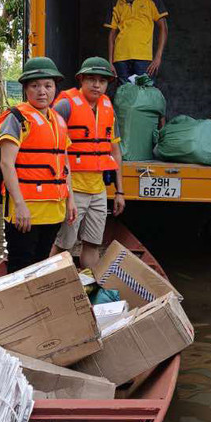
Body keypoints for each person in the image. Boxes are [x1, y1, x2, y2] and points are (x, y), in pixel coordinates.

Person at [0, 57, 76, 273]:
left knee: (41, 263)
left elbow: (64, 163)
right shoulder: (16, 118)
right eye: (35, 86)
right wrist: (19, 204)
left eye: (48, 86)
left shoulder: (58, 120)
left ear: (55, 88)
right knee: (20, 266)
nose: (42, 91)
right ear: (26, 89)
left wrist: (70, 199)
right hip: (26, 210)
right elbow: (6, 164)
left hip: (53, 210)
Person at [51, 57, 125, 270]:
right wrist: (66, 194)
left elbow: (115, 152)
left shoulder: (108, 108)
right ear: (81, 80)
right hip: (73, 189)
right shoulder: (65, 105)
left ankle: (92, 283)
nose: (96, 85)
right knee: (64, 244)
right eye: (91, 79)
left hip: (98, 190)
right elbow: (54, 148)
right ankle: (50, 283)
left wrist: (120, 192)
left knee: (93, 244)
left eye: (102, 81)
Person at [106, 0, 168, 84]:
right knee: (124, 93)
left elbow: (164, 28)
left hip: (144, 58)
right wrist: (110, 62)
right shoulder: (116, 2)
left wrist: (158, 57)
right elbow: (112, 34)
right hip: (120, 59)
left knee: (144, 93)